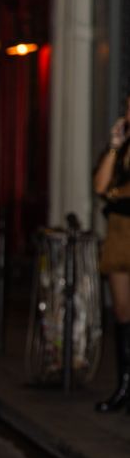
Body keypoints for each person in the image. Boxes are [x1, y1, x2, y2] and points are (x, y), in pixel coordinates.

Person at [94, 94, 130, 413]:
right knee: (121, 310)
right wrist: (115, 144)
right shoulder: (121, 150)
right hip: (120, 232)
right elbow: (101, 186)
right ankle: (124, 384)